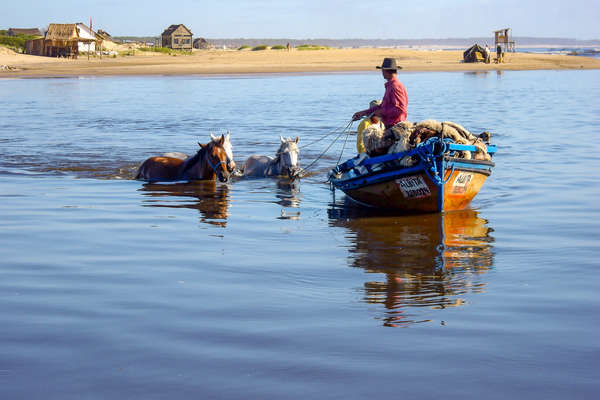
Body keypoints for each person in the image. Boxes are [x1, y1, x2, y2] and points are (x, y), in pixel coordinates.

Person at [352, 58, 408, 129]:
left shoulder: (395, 86)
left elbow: (400, 109)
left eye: (382, 70)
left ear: (385, 71)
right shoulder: (391, 85)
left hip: (396, 127)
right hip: (390, 126)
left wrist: (381, 112)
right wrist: (363, 113)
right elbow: (382, 107)